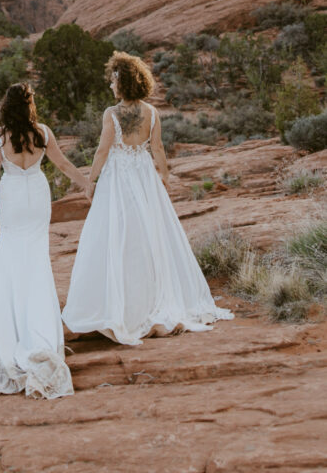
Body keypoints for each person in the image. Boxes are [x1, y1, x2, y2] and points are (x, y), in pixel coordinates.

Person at [62, 51, 232, 346]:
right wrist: (163, 177)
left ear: (124, 83)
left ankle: (123, 307)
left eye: (114, 80)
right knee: (150, 237)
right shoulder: (152, 113)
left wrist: (90, 180)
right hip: (143, 177)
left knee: (118, 237)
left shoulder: (111, 114)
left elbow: (102, 151)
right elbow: (158, 148)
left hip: (118, 180)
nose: (111, 85)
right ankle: (152, 301)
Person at [0, 82, 92, 398]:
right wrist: (86, 184)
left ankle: (11, 331)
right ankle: (38, 330)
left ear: (6, 106)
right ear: (30, 104)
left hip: (13, 198)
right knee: (36, 260)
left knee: (10, 257)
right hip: (37, 196)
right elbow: (63, 164)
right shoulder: (42, 132)